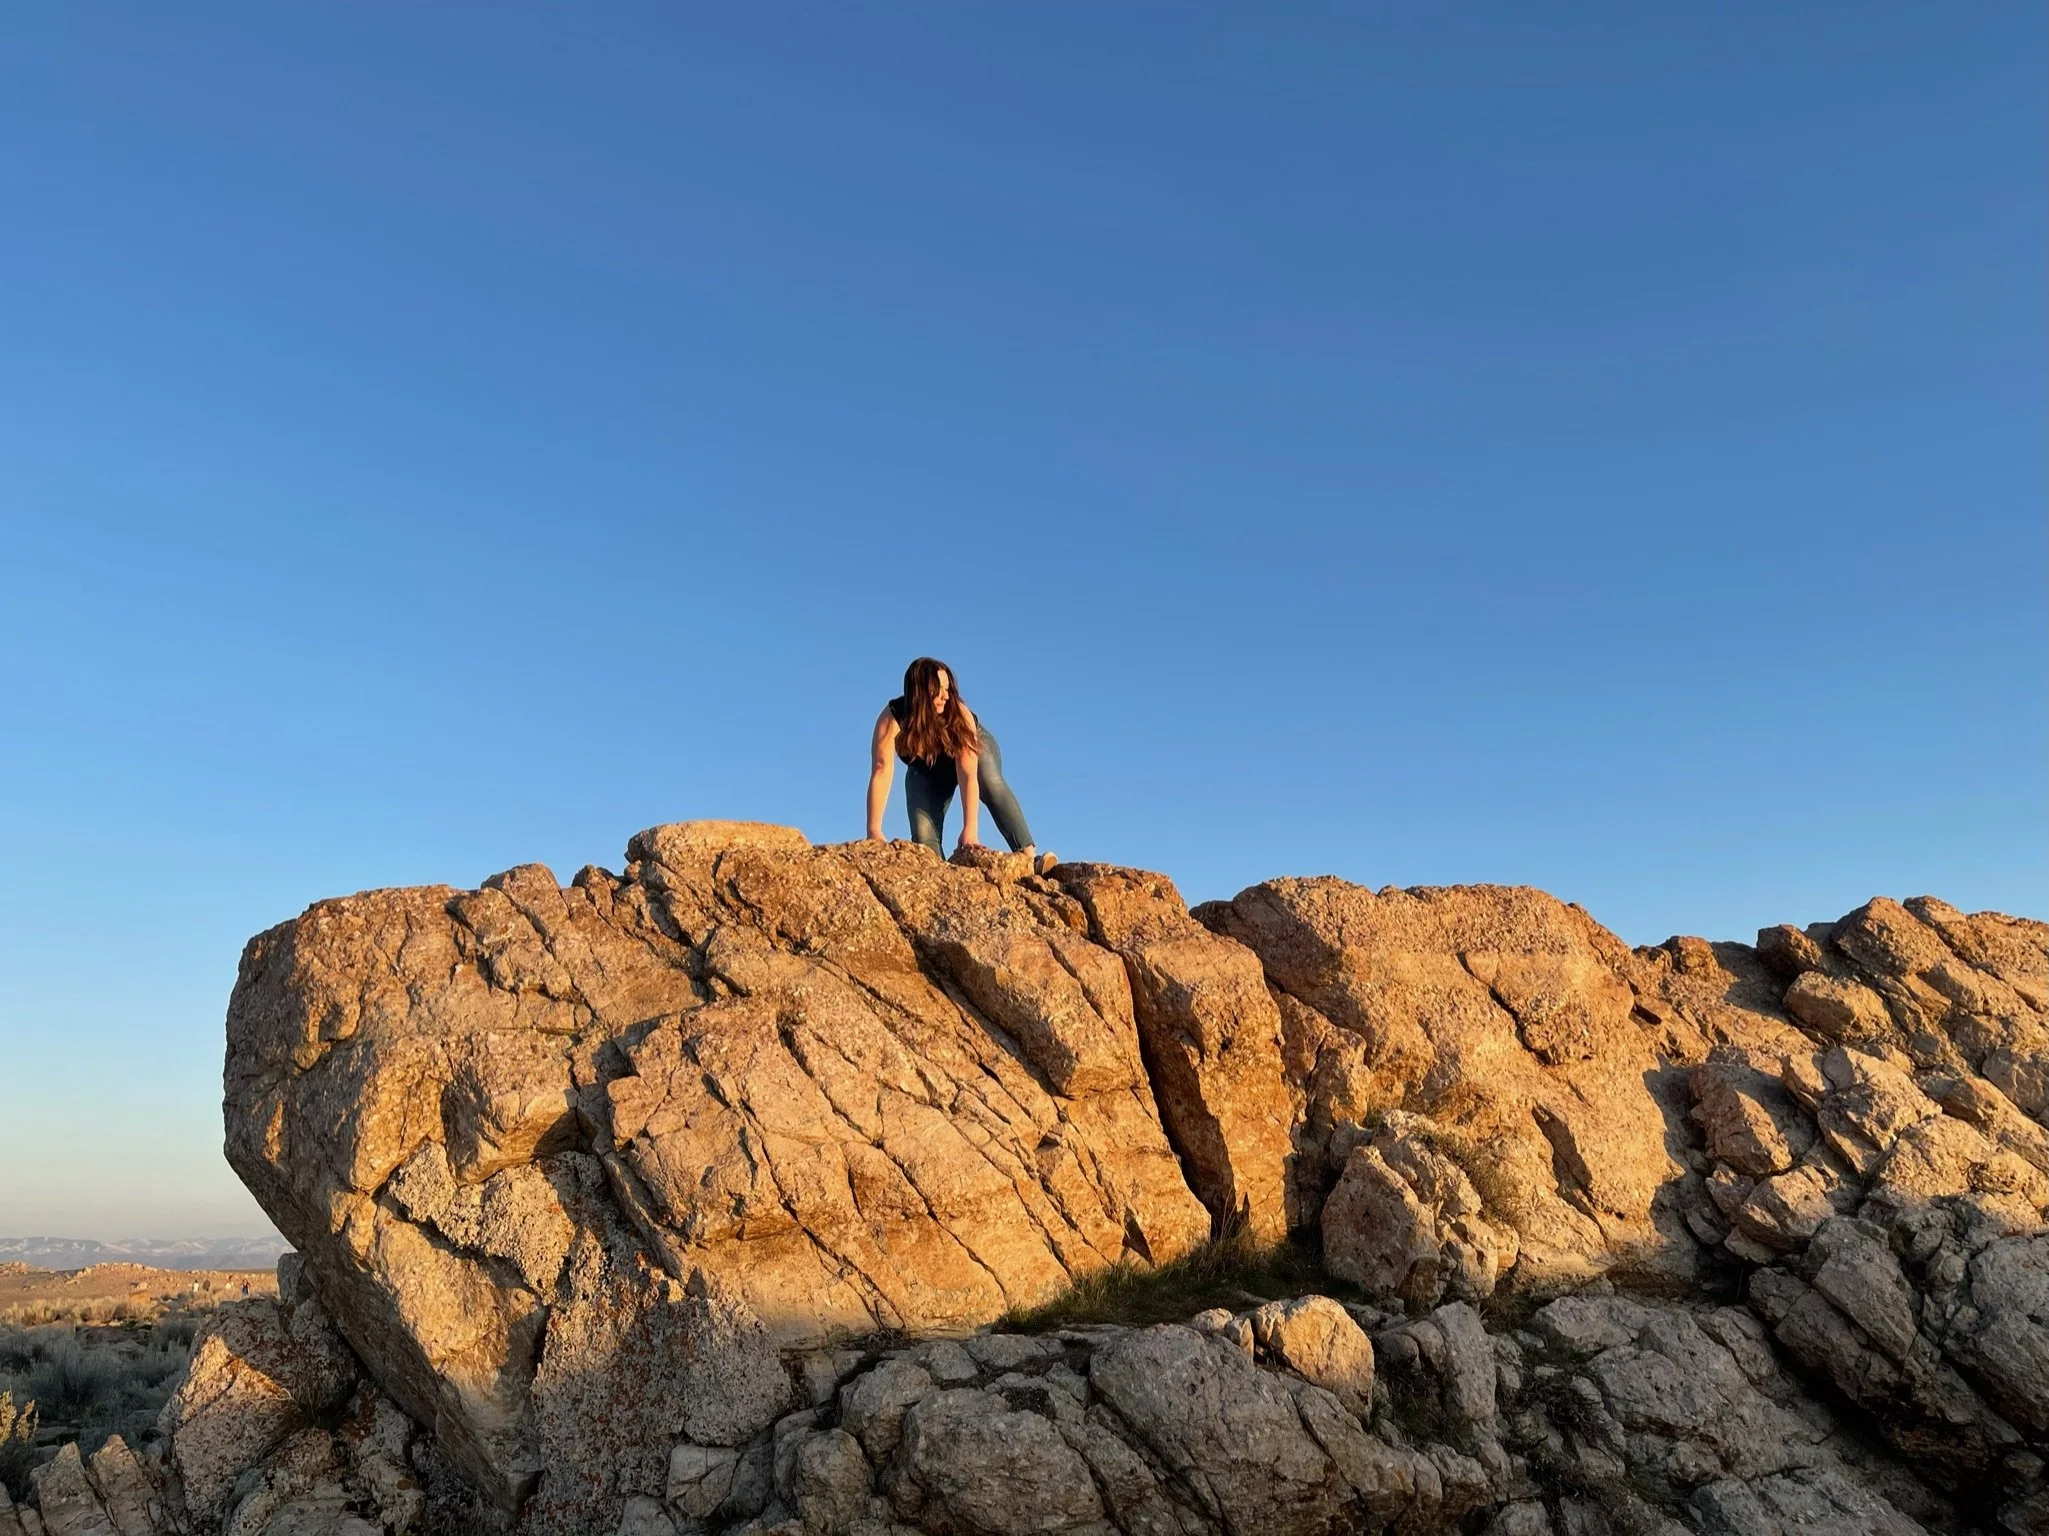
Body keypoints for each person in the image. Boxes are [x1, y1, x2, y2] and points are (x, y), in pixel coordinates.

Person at [866, 658, 1049, 863]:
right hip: (927, 768)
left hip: (974, 754)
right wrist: (874, 829)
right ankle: (938, 878)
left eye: (948, 688)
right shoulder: (892, 718)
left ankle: (1030, 857)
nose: (946, 696)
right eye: (939, 689)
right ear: (920, 692)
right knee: (923, 834)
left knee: (988, 778)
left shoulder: (957, 714)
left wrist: (970, 828)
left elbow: (968, 775)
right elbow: (881, 770)